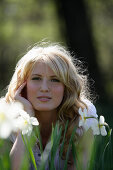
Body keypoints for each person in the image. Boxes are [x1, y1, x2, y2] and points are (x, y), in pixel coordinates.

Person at [5, 42, 97, 170]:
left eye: (55, 80)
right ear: (22, 84)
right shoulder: (5, 116)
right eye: (36, 78)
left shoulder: (84, 115)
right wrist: (27, 118)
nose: (44, 88)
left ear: (67, 86)